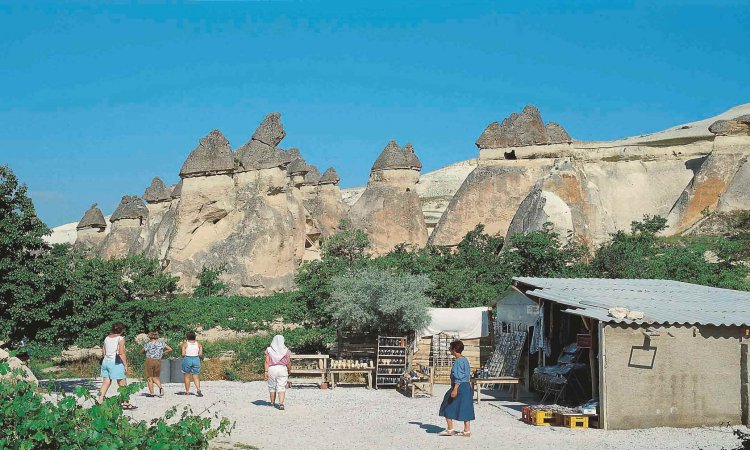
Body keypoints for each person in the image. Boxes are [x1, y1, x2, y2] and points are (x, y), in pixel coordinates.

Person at [438, 340, 475, 437]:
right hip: (466, 386)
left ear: (454, 349)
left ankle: (450, 429)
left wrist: (455, 389)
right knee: (465, 407)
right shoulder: (465, 359)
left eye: (450, 348)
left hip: (459, 386)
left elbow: (459, 376)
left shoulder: (459, 361)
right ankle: (467, 431)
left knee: (446, 405)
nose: (449, 350)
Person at [97, 322, 135, 409]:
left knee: (106, 382)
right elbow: (121, 353)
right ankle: (125, 402)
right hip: (115, 362)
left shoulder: (107, 338)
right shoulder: (120, 339)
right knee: (122, 383)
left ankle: (100, 400)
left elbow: (104, 352)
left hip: (106, 362)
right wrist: (125, 365)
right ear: (122, 330)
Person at [140, 331, 173, 398]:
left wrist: (145, 352)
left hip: (149, 360)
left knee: (149, 378)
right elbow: (170, 349)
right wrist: (162, 352)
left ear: (150, 336)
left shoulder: (148, 344)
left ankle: (152, 393)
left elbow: (141, 351)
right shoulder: (161, 343)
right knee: (155, 377)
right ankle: (160, 388)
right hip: (158, 361)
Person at [264, 334, 292, 410]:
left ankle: (272, 402)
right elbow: (288, 362)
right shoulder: (286, 350)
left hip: (271, 368)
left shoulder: (269, 349)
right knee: (281, 386)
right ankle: (281, 404)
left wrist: (266, 371)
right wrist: (289, 370)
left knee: (272, 386)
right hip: (282, 368)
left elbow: (267, 362)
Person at [180, 331, 203, 397]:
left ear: (187, 337)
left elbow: (183, 354)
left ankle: (187, 392)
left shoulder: (185, 344)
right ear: (195, 337)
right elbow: (200, 354)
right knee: (196, 377)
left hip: (187, 359)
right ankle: (198, 389)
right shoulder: (199, 344)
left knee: (187, 376)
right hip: (196, 359)